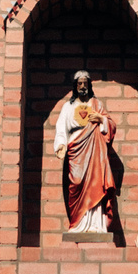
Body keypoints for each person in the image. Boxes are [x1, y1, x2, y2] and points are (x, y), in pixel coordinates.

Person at [54, 70, 119, 235]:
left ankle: (96, 225)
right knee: (76, 183)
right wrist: (61, 144)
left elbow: (110, 124)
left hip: (95, 151)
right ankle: (78, 224)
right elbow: (61, 128)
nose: (82, 87)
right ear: (75, 87)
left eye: (85, 83)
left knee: (95, 184)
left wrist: (102, 120)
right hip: (76, 150)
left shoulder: (96, 104)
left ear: (89, 85)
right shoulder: (68, 106)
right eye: (79, 84)